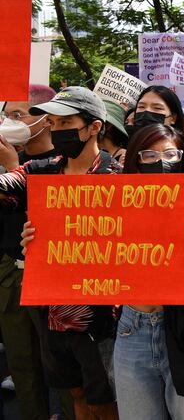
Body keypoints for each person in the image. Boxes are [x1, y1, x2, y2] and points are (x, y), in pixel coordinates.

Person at [2, 87, 119, 419]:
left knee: (105, 400)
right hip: (54, 310)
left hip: (102, 315)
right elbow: (6, 185)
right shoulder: (41, 171)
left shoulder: (118, 177)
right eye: (52, 121)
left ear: (94, 126)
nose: (57, 129)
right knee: (77, 393)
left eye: (66, 121)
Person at [105, 124, 184, 419]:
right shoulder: (114, 206)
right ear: (135, 161)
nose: (161, 161)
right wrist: (40, 241)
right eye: (149, 155)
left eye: (171, 154)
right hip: (133, 327)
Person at [0, 85, 71, 420]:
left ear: (47, 120)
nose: (10, 122)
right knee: (23, 363)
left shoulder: (62, 162)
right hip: (11, 271)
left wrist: (15, 168)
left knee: (63, 365)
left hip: (52, 277)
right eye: (7, 115)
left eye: (19, 115)